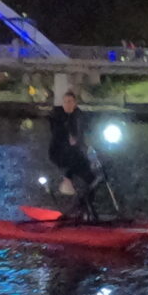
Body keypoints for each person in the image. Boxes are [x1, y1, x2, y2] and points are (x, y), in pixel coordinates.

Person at [47, 88, 98, 219]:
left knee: (92, 179)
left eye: (70, 102)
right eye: (65, 102)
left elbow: (83, 133)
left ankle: (84, 208)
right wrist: (68, 135)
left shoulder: (79, 116)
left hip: (75, 154)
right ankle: (67, 179)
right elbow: (57, 132)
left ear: (75, 103)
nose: (67, 105)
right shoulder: (57, 116)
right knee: (72, 154)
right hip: (58, 153)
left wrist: (86, 146)